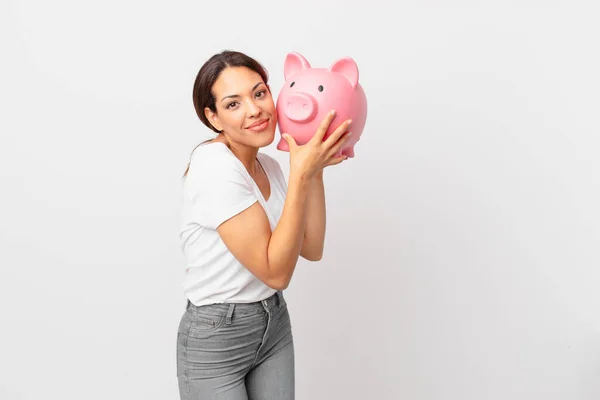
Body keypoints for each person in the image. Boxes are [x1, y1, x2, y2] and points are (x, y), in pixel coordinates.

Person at [177, 50, 352, 399]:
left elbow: (312, 248)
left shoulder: (269, 165)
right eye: (233, 104)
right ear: (213, 118)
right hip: (217, 336)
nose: (255, 109)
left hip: (272, 322)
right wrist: (301, 174)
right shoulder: (214, 166)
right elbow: (276, 272)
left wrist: (311, 168)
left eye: (259, 93)